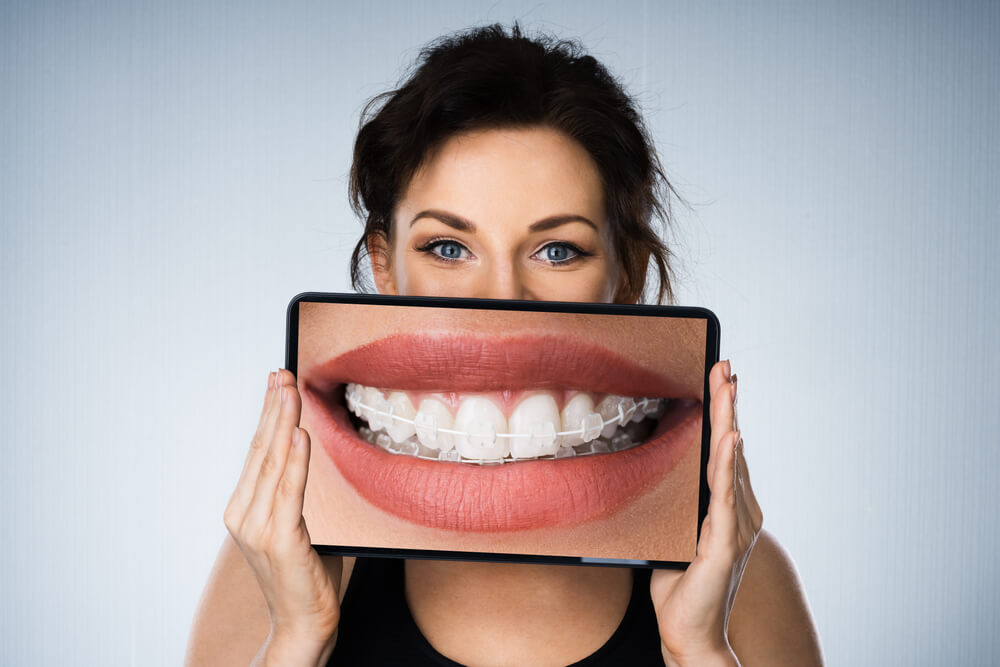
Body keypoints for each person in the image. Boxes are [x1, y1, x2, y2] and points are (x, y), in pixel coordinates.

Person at [185, 24, 823, 666]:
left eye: (558, 250)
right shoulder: (277, 562)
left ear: (624, 274)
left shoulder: (738, 578)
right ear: (384, 266)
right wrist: (299, 638)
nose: (504, 299)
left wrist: (699, 649)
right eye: (447, 247)